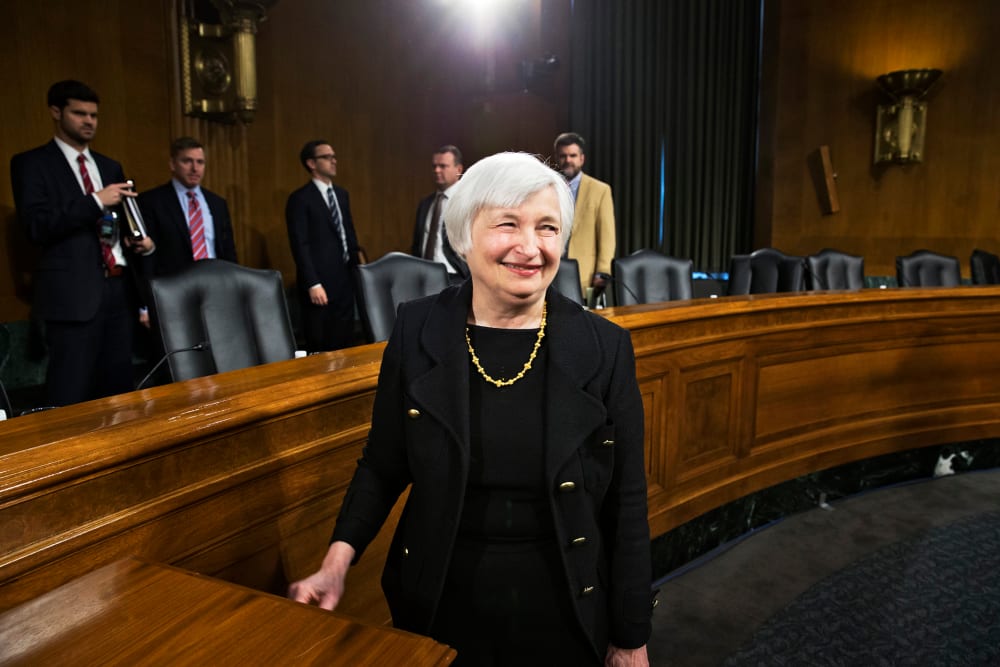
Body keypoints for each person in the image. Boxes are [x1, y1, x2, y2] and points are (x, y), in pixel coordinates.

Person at [289, 152, 653, 665]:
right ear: (464, 236)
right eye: (508, 224)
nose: (530, 247)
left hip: (567, 609)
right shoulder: (418, 330)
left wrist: (631, 636)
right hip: (440, 605)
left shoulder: (605, 347)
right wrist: (337, 560)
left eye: (547, 228)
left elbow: (628, 500)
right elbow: (383, 462)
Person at [9, 79, 154, 406]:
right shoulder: (31, 164)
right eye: (79, 113)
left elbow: (115, 222)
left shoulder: (109, 166)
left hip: (119, 290)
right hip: (72, 296)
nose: (89, 121)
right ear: (55, 112)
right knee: (70, 393)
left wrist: (136, 241)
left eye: (94, 115)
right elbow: (36, 227)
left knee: (120, 395)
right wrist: (94, 201)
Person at [285, 140, 362, 352]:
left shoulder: (341, 194)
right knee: (322, 343)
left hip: (345, 278)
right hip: (320, 284)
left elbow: (348, 234)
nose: (333, 161)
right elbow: (300, 244)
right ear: (311, 163)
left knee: (346, 341)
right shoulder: (300, 199)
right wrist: (313, 283)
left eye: (334, 156)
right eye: (327, 157)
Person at [137, 136, 237, 281]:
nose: (195, 168)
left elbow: (228, 251)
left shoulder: (217, 203)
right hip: (174, 285)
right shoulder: (152, 201)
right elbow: (148, 255)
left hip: (215, 282)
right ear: (172, 164)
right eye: (187, 161)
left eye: (200, 162)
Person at [554, 132, 617, 297]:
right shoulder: (549, 188)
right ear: (557, 158)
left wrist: (602, 271)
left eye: (573, 155)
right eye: (563, 156)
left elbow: (607, 235)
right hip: (552, 271)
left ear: (581, 158)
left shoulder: (600, 190)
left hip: (584, 274)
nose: (568, 160)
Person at [410, 145, 469, 284]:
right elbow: (417, 243)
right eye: (434, 166)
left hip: (454, 276)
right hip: (422, 276)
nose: (437, 170)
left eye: (443, 166)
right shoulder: (426, 203)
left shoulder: (468, 202)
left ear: (458, 169)